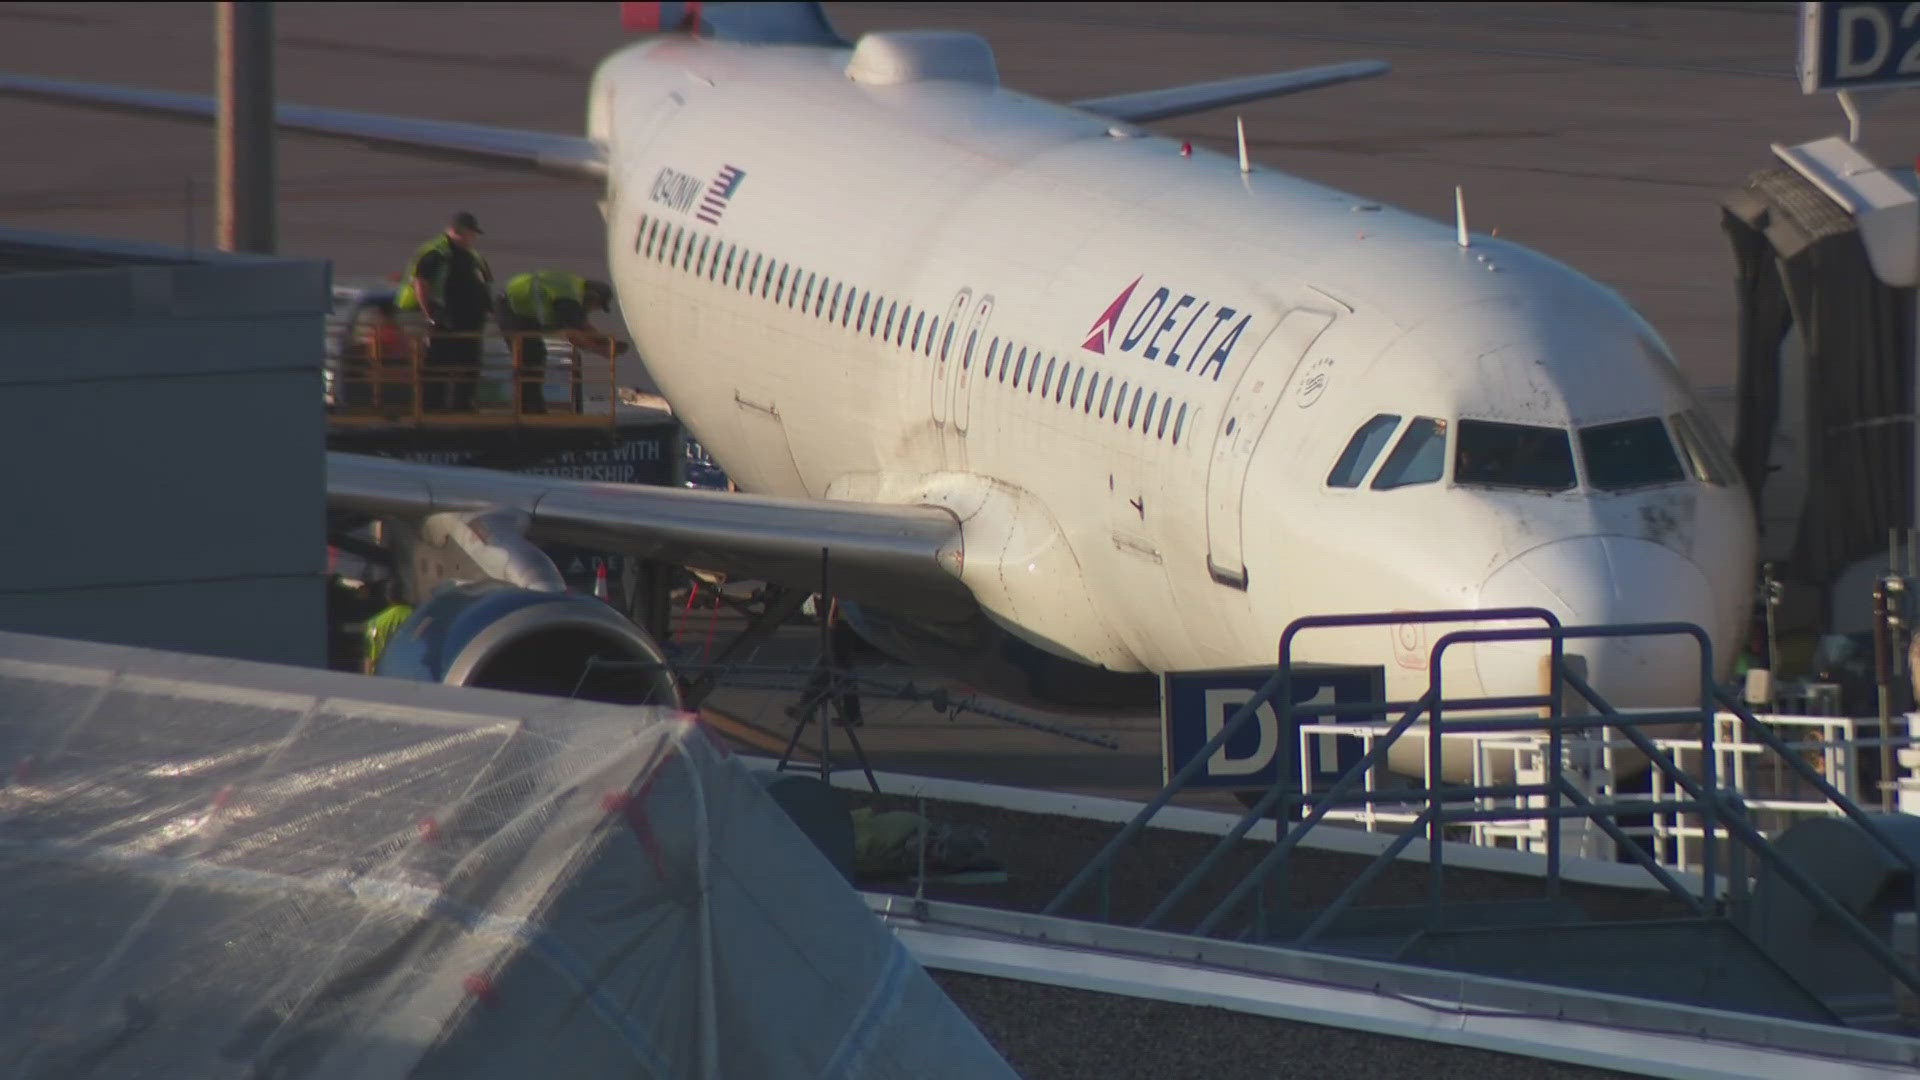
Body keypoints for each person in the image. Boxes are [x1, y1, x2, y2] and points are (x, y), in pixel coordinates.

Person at [494, 271, 629, 414]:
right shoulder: (568, 300)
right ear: (592, 297)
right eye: (595, 307)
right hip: (512, 307)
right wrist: (599, 350)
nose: (591, 310)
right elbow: (570, 334)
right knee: (529, 358)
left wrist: (605, 341)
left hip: (522, 306)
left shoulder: (574, 291)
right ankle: (530, 409)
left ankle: (532, 407)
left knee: (535, 356)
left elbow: (583, 325)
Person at [398, 211, 493, 411]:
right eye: (470, 233)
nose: (472, 238)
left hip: (469, 322)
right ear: (456, 231)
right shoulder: (437, 252)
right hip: (444, 319)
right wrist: (430, 315)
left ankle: (463, 406)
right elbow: (421, 282)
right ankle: (431, 408)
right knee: (437, 364)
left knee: (469, 364)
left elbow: (485, 284)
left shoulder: (473, 256)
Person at [362, 578, 414, 674]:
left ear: (387, 597)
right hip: (409, 669)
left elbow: (369, 656)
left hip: (383, 674)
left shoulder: (374, 623)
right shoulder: (414, 615)